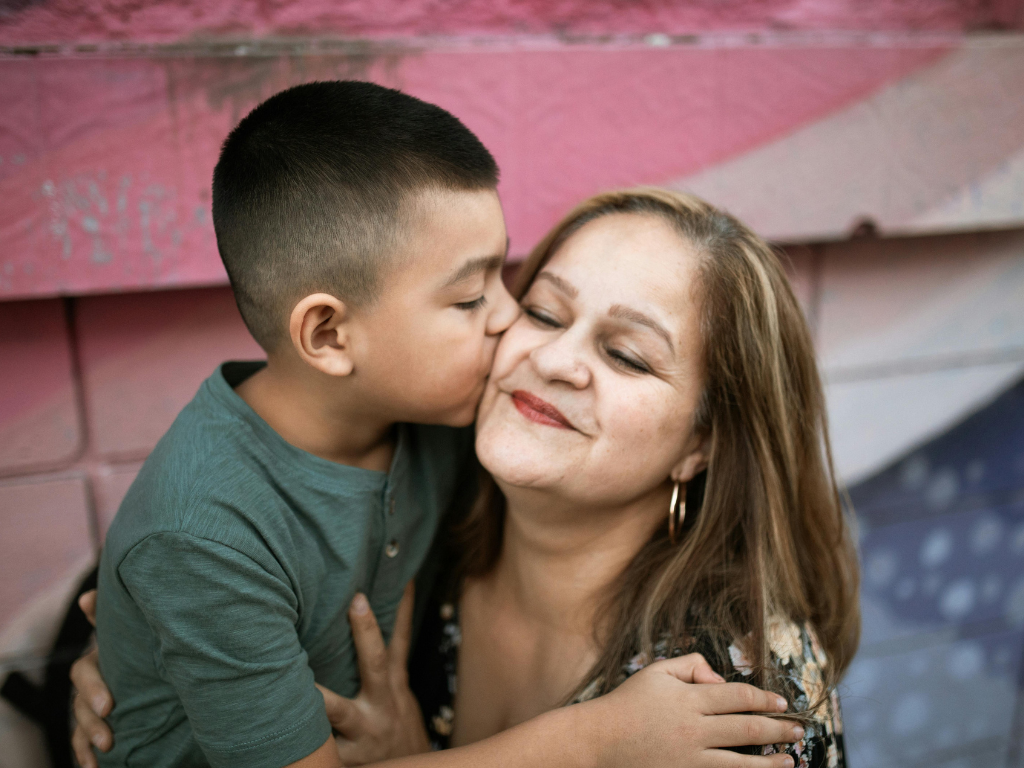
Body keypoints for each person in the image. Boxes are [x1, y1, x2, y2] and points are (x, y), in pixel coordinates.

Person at [78, 78, 804, 768]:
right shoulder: (203, 538)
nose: (517, 326)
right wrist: (593, 742)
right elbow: (195, 549)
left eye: (626, 354)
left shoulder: (434, 430)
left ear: (705, 443)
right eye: (478, 300)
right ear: (330, 336)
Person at [401, 188, 860, 767]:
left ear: (702, 442)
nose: (553, 360)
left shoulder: (734, 693)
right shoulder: (412, 521)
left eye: (626, 355)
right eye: (542, 313)